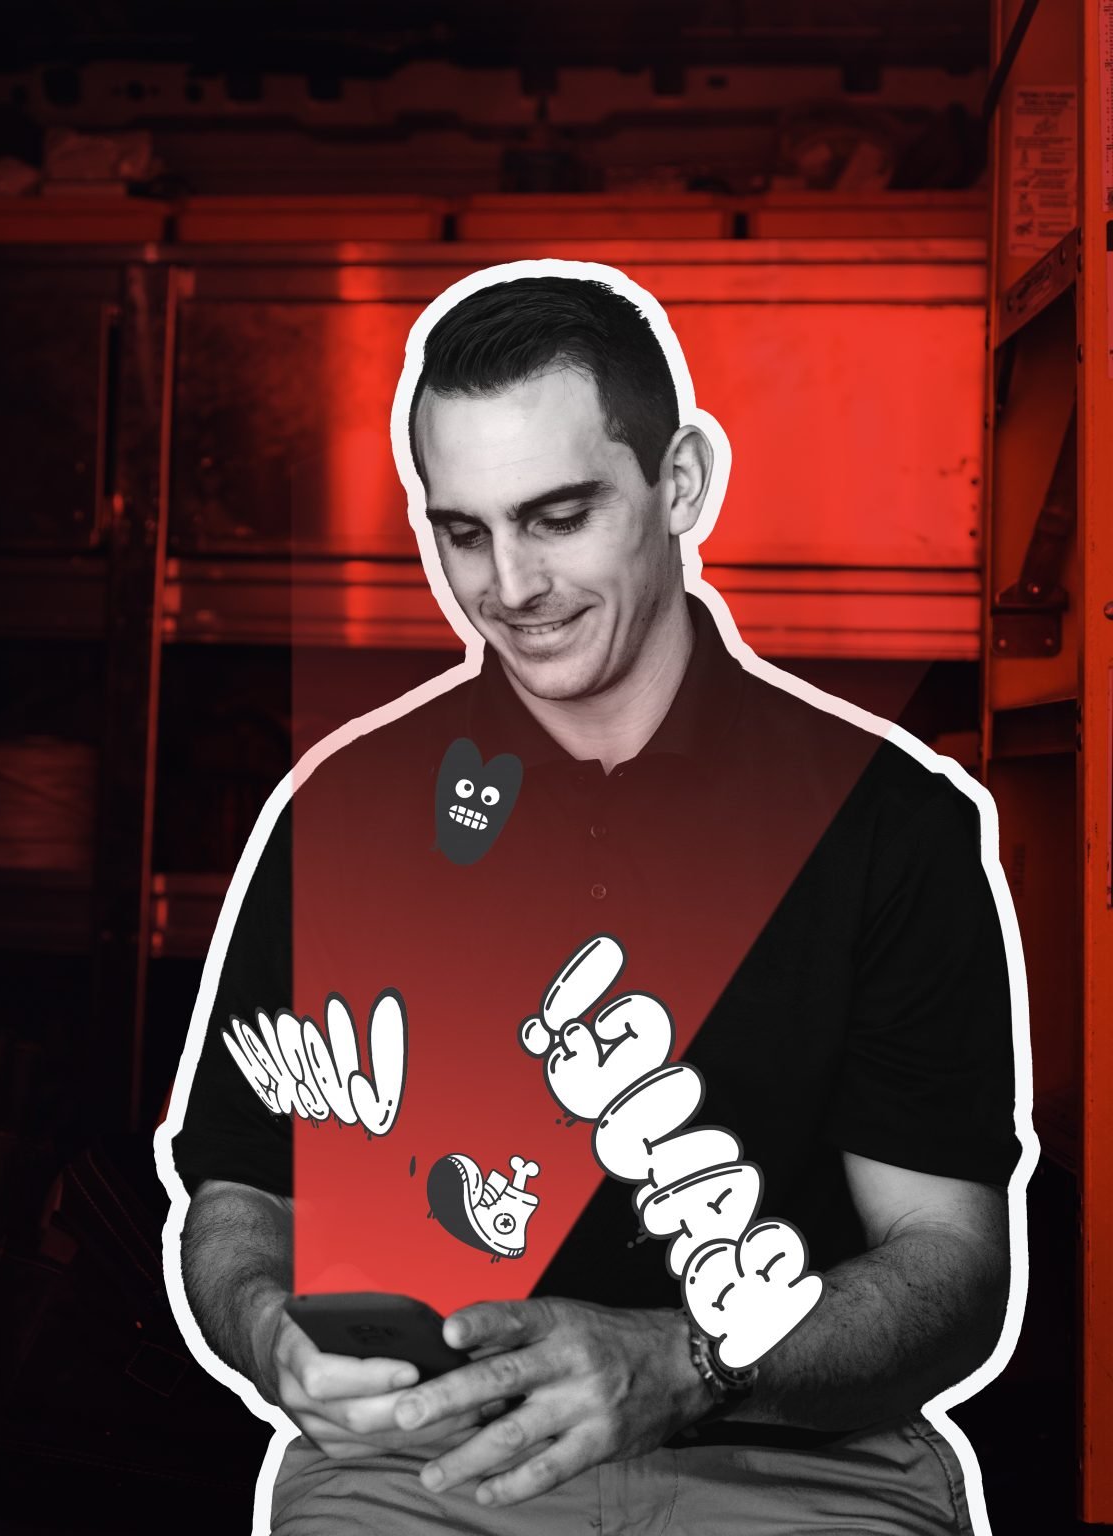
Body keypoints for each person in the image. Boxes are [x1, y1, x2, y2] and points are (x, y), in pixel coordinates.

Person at [157, 265, 1027, 1534]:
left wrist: (682, 1363)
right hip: (428, 1471)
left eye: (559, 516)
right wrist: (267, 1336)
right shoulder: (342, 815)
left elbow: (951, 1268)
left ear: (678, 482)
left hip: (797, 1469)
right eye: (464, 531)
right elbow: (239, 1196)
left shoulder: (891, 824)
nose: (509, 587)